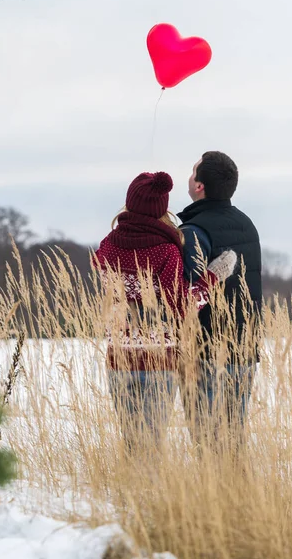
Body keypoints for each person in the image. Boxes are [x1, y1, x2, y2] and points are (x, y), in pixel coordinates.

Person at [94, 171, 236, 452]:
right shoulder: (165, 251)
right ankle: (147, 494)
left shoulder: (107, 246)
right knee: (151, 446)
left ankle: (130, 493)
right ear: (161, 210)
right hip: (157, 361)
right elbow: (183, 307)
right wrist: (214, 275)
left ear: (129, 203)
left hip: (118, 359)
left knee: (133, 445)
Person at [177, 151, 262, 443]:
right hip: (244, 348)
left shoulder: (192, 230)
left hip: (205, 352)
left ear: (199, 186)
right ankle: (237, 490)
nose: (189, 176)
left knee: (208, 442)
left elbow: (185, 299)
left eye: (193, 171)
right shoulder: (246, 224)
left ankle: (214, 490)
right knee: (232, 439)